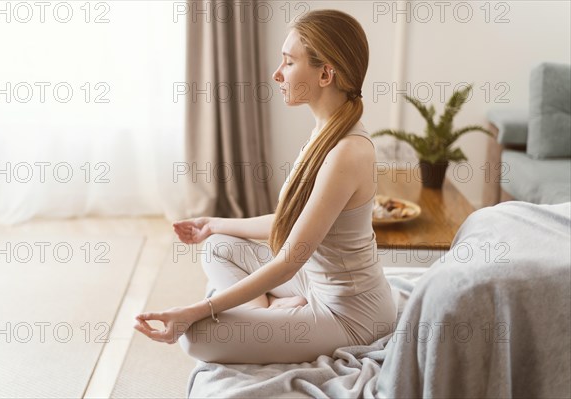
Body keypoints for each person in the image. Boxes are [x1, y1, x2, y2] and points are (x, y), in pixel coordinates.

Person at [134, 9, 397, 364]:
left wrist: (196, 310)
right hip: (311, 284)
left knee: (197, 337)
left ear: (325, 73)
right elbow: (292, 223)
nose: (277, 74)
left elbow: (289, 260)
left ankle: (271, 311)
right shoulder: (326, 129)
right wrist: (214, 224)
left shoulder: (347, 152)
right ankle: (272, 307)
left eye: (289, 63)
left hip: (349, 313)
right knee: (216, 246)